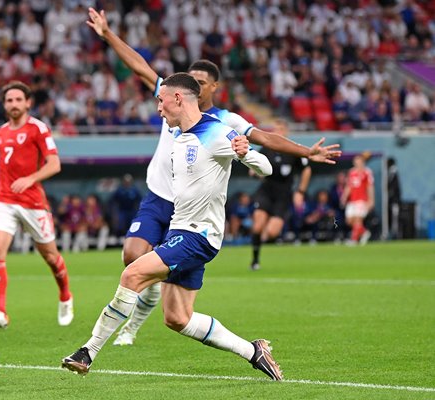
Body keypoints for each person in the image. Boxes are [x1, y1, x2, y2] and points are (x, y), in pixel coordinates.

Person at [85, 7, 342, 347]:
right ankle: (138, 311)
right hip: (160, 196)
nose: (194, 84)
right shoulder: (170, 101)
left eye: (202, 82)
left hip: (193, 210)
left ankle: (131, 325)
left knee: (159, 288)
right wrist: (107, 34)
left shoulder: (224, 122)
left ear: (214, 87)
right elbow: (139, 66)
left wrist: (306, 151)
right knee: (132, 255)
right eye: (190, 79)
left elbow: (264, 139)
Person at [61, 72, 282, 381]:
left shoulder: (218, 133)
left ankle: (87, 352)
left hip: (199, 235)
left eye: (161, 101)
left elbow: (267, 166)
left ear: (178, 99)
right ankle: (252, 350)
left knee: (132, 273)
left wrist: (246, 154)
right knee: (177, 318)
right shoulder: (178, 137)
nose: (158, 108)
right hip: (180, 231)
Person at [0, 81, 73, 329]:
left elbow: (54, 164)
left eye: (18, 100)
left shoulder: (38, 129)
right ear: (4, 105)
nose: (14, 104)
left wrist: (30, 178)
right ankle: (0, 311)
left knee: (52, 258)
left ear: (28, 103)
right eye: (9, 100)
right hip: (4, 199)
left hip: (33, 202)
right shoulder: (1, 131)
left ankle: (65, 295)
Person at [249, 119, 312, 271]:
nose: (278, 132)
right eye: (275, 129)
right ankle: (255, 260)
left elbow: (307, 170)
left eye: (281, 129)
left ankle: (261, 240)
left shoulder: (292, 150)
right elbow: (253, 166)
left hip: (283, 194)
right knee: (257, 226)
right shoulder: (266, 149)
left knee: (272, 232)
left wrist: (301, 192)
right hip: (266, 191)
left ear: (286, 132)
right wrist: (254, 171)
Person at [341, 153, 374, 245]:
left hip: (362, 200)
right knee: (349, 220)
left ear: (362, 162)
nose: (357, 163)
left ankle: (354, 239)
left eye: (359, 161)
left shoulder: (367, 172)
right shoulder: (351, 172)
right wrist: (344, 197)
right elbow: (349, 186)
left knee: (358, 220)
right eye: (355, 162)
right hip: (352, 200)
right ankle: (364, 232)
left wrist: (371, 200)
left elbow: (370, 187)